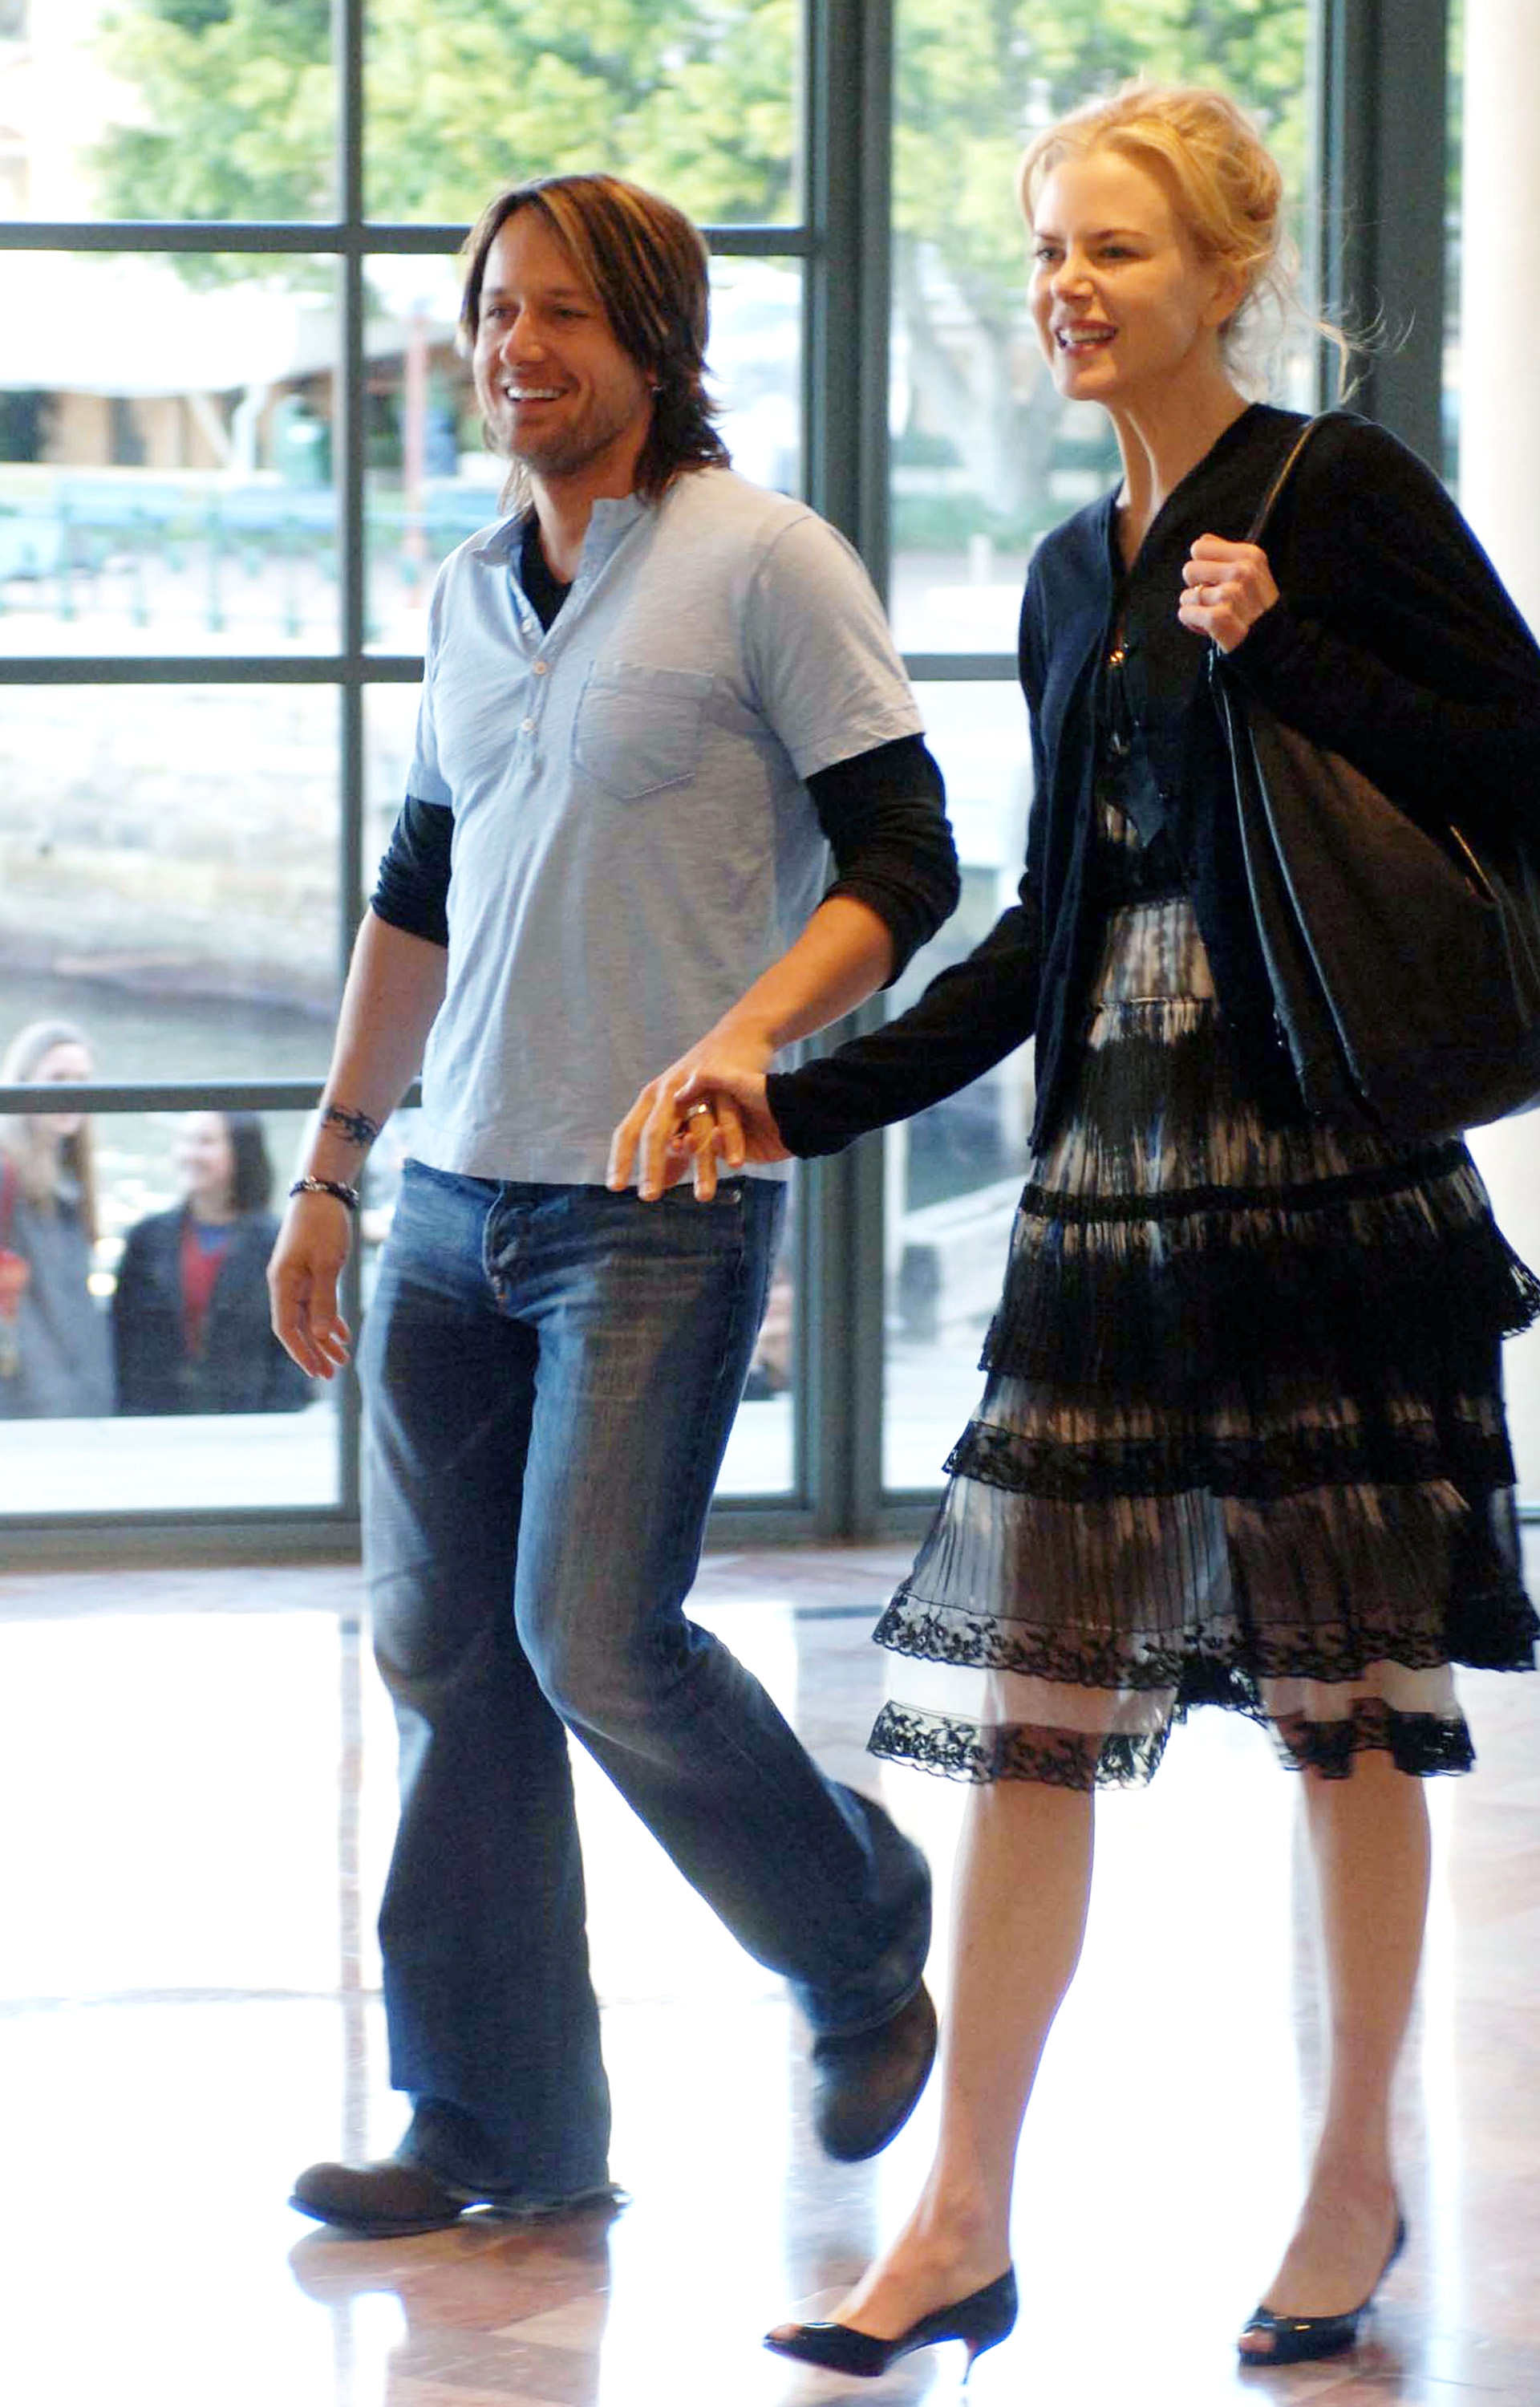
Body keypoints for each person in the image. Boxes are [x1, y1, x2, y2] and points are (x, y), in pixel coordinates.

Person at [638, 82, 1540, 2376]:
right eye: (1051, 246)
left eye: (1118, 252)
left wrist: (1283, 648)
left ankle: (1351, 2182)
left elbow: (1535, 777)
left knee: (1346, 1713)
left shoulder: (1335, 494)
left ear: (1223, 278)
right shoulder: (1068, 572)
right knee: (1036, 1717)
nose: (1070, 284)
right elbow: (1044, 930)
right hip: (1106, 1205)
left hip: (1324, 1199)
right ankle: (961, 2214)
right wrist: (791, 1089)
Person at [268, 170, 960, 2238]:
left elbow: (903, 862)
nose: (517, 349)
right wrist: (327, 1164)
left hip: (649, 1204)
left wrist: (748, 1037)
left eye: (562, 311)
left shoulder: (764, 563)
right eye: (494, 312)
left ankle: (852, 1934)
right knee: (443, 1656)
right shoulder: (471, 586)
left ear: (655, 335)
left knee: (596, 1640)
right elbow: (417, 894)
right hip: (449, 1199)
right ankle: (496, 2123)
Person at [112, 1111, 311, 1415]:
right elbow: (122, 1338)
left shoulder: (279, 1243)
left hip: (250, 1420)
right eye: (184, 1141)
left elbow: (293, 1353)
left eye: (205, 1142)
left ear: (241, 1150)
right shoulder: (146, 1239)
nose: (189, 1154)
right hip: (157, 1419)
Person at [0, 1018, 113, 1420]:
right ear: (24, 1082)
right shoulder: (7, 1173)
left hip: (75, 1392)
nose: (71, 1092)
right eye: (57, 1078)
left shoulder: (72, 1179)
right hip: (27, 1397)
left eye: (81, 1080)